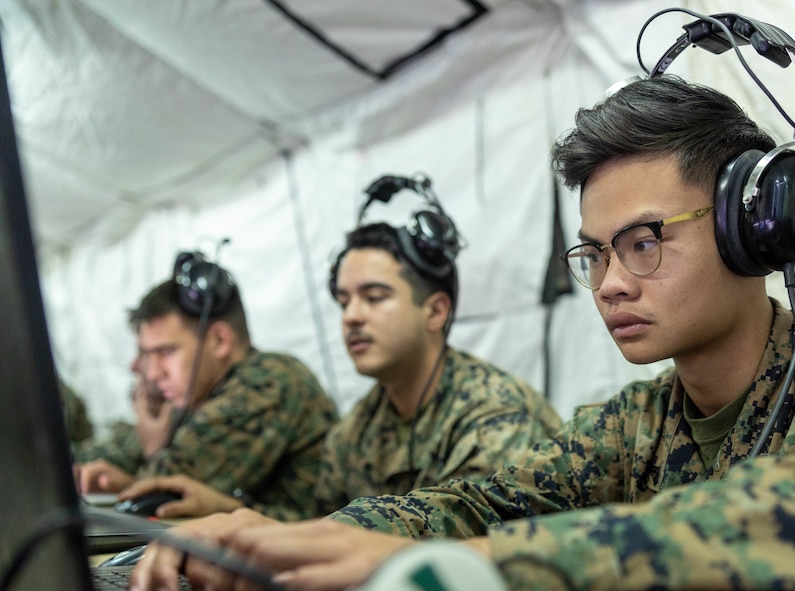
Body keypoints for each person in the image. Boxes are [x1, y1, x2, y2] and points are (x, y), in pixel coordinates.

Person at [130, 76, 795, 591]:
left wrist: (492, 565)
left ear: (753, 228)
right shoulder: (633, 425)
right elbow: (480, 505)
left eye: (644, 242)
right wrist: (322, 538)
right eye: (594, 253)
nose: (610, 285)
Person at [119, 185, 561, 519]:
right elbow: (322, 529)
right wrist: (233, 514)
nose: (351, 317)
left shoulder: (494, 413)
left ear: (435, 311)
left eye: (374, 297)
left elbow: (460, 542)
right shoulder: (354, 433)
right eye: (344, 300)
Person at [76, 257, 339, 521]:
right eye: (148, 355)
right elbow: (123, 457)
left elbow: (166, 491)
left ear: (219, 341)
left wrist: (152, 452)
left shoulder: (266, 382)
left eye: (165, 352)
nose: (153, 373)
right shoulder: (202, 396)